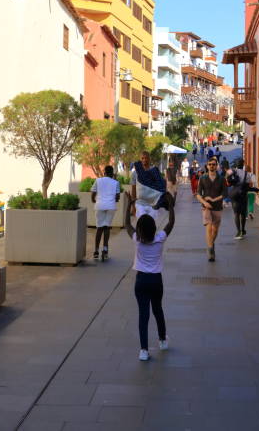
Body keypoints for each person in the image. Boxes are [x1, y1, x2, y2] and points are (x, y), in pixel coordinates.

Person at [126, 191, 175, 361]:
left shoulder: (137, 240)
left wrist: (129, 205)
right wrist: (170, 205)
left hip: (141, 280)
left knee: (143, 315)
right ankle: (162, 340)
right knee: (157, 310)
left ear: (139, 229)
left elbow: (127, 224)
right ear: (154, 228)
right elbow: (171, 222)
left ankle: (144, 351)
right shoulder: (160, 238)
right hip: (156, 280)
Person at [197, 157, 227, 262]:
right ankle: (210, 250)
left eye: (213, 164)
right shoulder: (203, 178)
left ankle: (211, 243)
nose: (211, 166)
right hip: (206, 207)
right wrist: (205, 202)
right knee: (209, 228)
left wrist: (214, 199)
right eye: (210, 164)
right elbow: (198, 194)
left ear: (216, 166)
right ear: (207, 165)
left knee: (215, 230)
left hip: (218, 207)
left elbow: (225, 193)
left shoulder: (222, 179)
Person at [91, 165, 120, 261]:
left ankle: (96, 251)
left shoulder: (98, 181)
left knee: (99, 228)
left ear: (104, 172)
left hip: (99, 206)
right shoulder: (116, 183)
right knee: (107, 227)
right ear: (112, 173)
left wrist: (94, 201)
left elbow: (93, 193)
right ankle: (105, 249)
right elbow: (117, 197)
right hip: (110, 206)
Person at [131, 151, 167, 220]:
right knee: (141, 225)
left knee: (151, 225)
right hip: (140, 204)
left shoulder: (154, 171)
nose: (144, 160)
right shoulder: (135, 173)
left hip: (152, 205)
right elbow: (133, 189)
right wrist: (133, 207)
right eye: (142, 158)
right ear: (140, 159)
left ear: (149, 159)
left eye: (146, 158)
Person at [227, 159, 253, 239]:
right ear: (243, 165)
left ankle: (238, 232)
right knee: (243, 213)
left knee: (236, 214)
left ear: (236, 164)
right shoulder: (247, 174)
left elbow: (227, 178)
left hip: (235, 195)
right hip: (243, 195)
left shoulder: (233, 171)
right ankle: (243, 230)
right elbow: (251, 185)